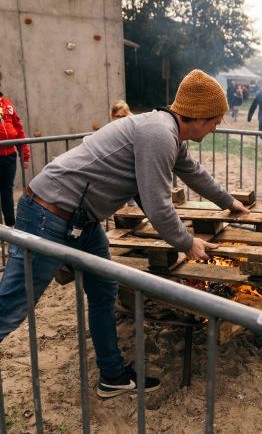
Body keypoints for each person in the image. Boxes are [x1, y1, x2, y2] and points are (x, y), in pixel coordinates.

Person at [0, 70, 249, 399]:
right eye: (216, 120)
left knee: (105, 293)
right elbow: (158, 206)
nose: (217, 126)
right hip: (49, 213)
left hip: (81, 221)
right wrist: (188, 243)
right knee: (13, 304)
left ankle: (113, 377)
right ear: (201, 117)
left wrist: (229, 202)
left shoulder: (167, 132)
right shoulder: (159, 134)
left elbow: (193, 172)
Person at [0, 92, 30, 227]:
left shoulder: (7, 103)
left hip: (9, 155)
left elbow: (18, 129)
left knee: (7, 190)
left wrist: (24, 155)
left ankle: (10, 224)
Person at [110, 100, 136, 205]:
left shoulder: (133, 127)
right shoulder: (111, 129)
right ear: (112, 116)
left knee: (131, 195)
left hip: (130, 165)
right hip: (116, 166)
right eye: (117, 116)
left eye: (123, 116)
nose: (120, 119)